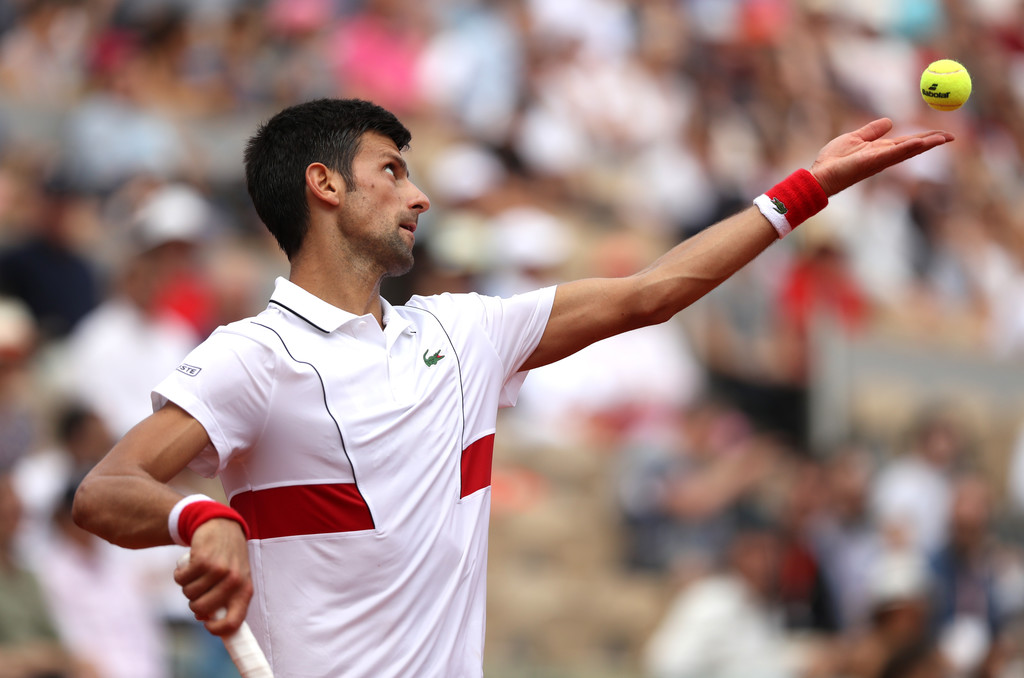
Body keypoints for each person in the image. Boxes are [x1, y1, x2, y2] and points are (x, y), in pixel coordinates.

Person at [71, 97, 953, 677]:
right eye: (394, 171)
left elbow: (652, 293)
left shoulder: (463, 331)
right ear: (324, 185)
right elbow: (106, 491)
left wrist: (803, 192)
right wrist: (205, 517)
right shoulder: (254, 355)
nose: (419, 198)